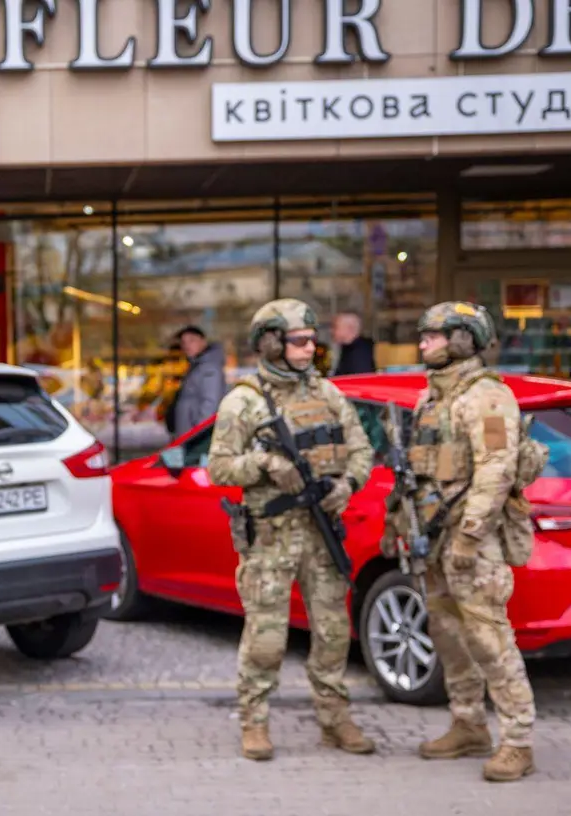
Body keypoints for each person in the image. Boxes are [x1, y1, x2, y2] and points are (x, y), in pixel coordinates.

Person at [205, 299, 374, 761]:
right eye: (300, 340)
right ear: (273, 343)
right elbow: (218, 468)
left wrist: (348, 485)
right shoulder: (244, 400)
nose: (310, 347)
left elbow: (361, 450)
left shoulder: (328, 394)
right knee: (266, 637)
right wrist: (265, 463)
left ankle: (335, 718)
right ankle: (254, 721)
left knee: (334, 632)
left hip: (321, 534)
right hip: (272, 535)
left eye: (312, 340)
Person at [388, 301, 538, 783]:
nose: (422, 343)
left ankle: (517, 741)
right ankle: (468, 722)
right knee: (448, 633)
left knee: (489, 638)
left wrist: (471, 535)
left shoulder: (487, 397)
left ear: (461, 339)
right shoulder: (429, 399)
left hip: (471, 541)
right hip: (432, 536)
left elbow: (496, 470)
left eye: (432, 335)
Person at [167, 325, 227, 437]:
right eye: (183, 342)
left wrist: (197, 434)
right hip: (189, 435)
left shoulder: (209, 368)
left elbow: (210, 404)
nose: (186, 346)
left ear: (203, 341)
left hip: (195, 437)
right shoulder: (196, 366)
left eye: (191, 340)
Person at [329, 311, 377, 375]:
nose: (331, 331)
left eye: (335, 327)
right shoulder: (347, 348)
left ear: (350, 328)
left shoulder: (361, 353)